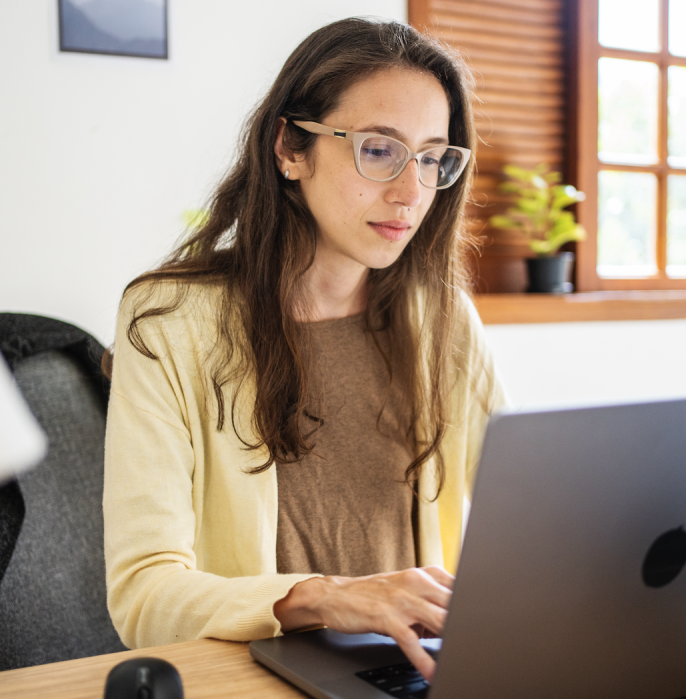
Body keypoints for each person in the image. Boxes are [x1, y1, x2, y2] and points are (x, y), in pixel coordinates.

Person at [102, 17, 504, 681]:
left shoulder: (443, 320)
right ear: (290, 147)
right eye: (380, 150)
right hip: (255, 678)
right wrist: (329, 596)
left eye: (433, 158)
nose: (411, 193)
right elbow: (143, 595)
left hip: (418, 672)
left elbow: (527, 517)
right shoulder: (169, 319)